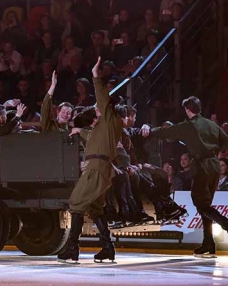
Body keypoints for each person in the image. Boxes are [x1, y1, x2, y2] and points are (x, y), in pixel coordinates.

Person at [143, 96, 228, 257]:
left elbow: (167, 131)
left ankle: (225, 224)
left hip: (202, 166)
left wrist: (150, 131)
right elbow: (225, 142)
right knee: (205, 206)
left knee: (200, 203)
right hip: (214, 165)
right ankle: (208, 243)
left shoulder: (189, 126)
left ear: (187, 110)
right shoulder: (211, 124)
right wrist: (215, 149)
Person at [58, 57, 124, 263]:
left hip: (96, 168)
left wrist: (95, 76)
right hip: (100, 168)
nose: (96, 108)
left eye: (99, 106)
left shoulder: (110, 118)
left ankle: (72, 249)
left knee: (76, 202)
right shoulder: (103, 127)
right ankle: (107, 248)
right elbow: (95, 140)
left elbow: (103, 99)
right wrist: (80, 131)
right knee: (95, 208)